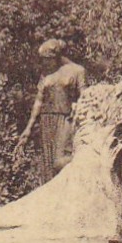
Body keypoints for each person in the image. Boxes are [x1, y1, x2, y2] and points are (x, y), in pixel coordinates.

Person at [13, 39, 87, 181]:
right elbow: (39, 101)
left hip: (66, 119)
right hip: (46, 120)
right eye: (43, 60)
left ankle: (82, 169)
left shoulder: (77, 71)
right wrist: (28, 129)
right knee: (47, 166)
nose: (45, 63)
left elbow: (85, 96)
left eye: (47, 59)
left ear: (56, 56)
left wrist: (78, 113)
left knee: (59, 162)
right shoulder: (46, 74)